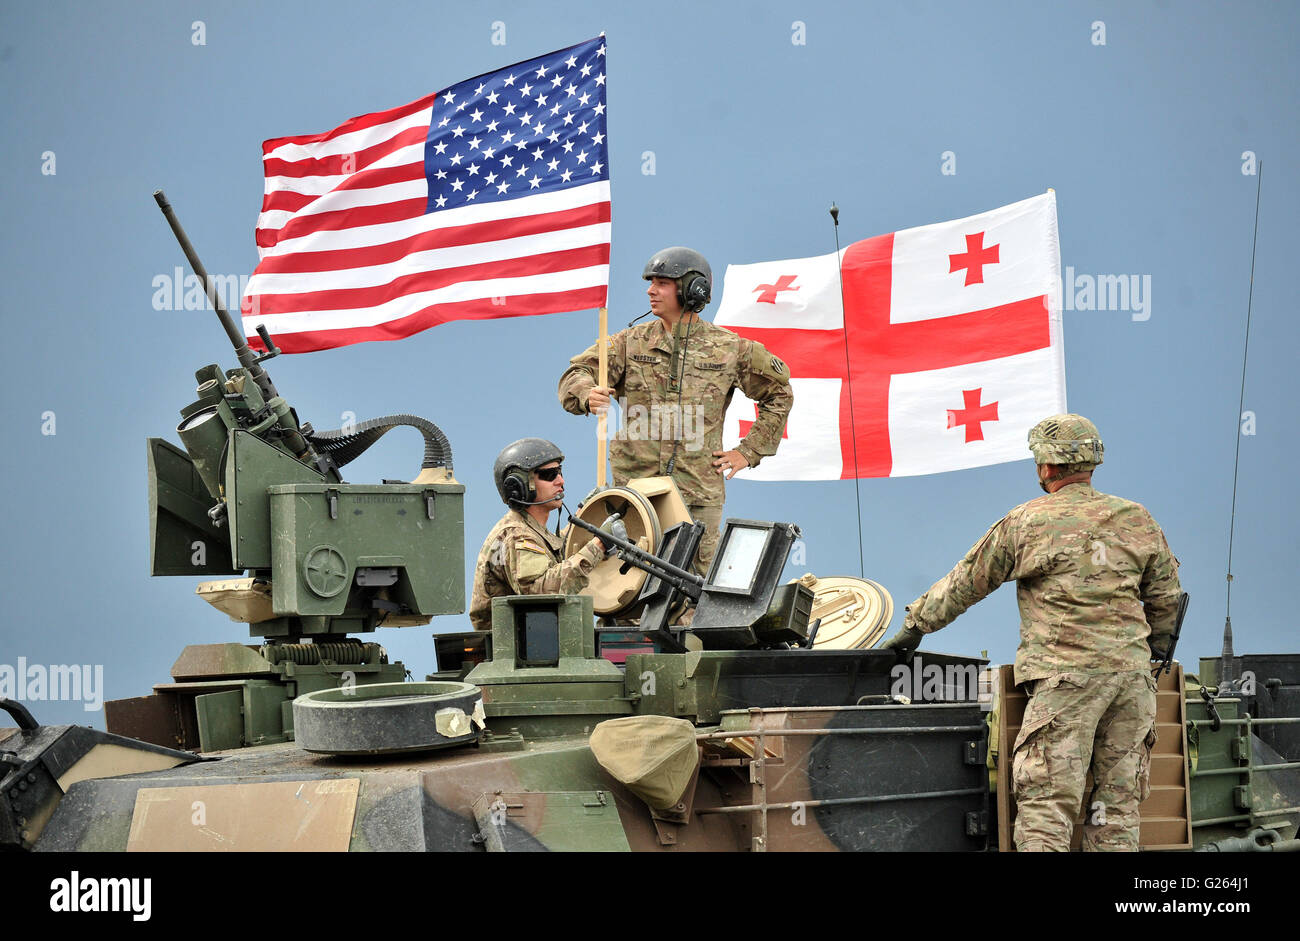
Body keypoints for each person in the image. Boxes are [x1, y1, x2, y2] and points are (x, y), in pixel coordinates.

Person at [881, 414, 1182, 852]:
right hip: (1132, 686)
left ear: (1045, 467)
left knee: (1047, 807)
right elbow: (1166, 600)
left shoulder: (1026, 522)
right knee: (1117, 812)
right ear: (1092, 462)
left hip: (1066, 684)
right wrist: (1149, 651)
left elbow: (967, 582)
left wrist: (914, 626)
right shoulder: (1137, 518)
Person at [557, 246, 793, 573]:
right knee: (632, 584)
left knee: (693, 589)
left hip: (697, 496)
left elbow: (778, 393)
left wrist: (748, 451)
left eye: (662, 283)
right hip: (637, 494)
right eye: (651, 282)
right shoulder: (629, 343)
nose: (650, 290)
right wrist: (587, 393)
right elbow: (577, 373)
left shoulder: (730, 349)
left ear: (692, 290)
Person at [469, 438, 624, 631]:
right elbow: (540, 592)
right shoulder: (516, 535)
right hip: (518, 649)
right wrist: (599, 545)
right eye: (550, 475)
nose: (561, 481)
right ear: (521, 486)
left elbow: (554, 553)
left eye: (559, 472)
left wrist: (583, 515)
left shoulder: (529, 528)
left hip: (533, 639)